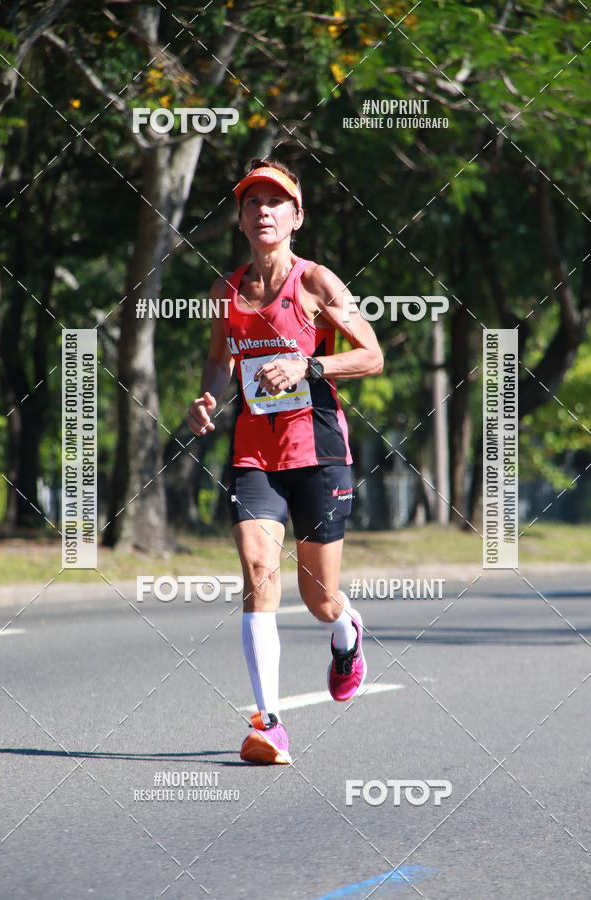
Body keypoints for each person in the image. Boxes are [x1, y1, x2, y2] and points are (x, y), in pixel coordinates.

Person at [187, 158, 383, 765]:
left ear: (296, 216)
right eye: (253, 202)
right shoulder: (228, 291)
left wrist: (309, 365)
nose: (263, 210)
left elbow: (371, 355)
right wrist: (208, 398)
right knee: (256, 573)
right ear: (241, 218)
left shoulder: (317, 283)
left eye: (276, 202)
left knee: (319, 596)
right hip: (254, 453)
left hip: (318, 452)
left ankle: (346, 631)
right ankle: (270, 724)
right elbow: (221, 359)